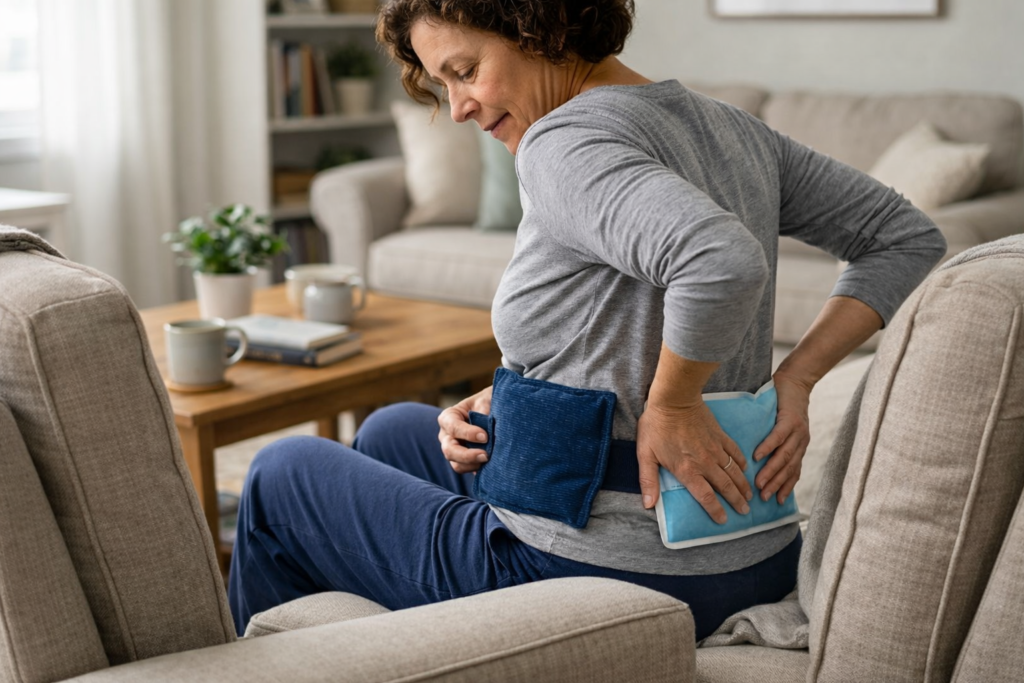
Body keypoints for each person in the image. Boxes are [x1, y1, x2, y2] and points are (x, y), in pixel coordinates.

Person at [228, 0, 946, 640]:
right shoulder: (733, 129)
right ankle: (418, 649)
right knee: (392, 429)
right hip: (750, 556)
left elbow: (718, 260)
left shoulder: (563, 142)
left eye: (466, 70)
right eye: (441, 83)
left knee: (280, 470)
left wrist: (676, 401)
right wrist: (795, 376)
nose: (458, 108)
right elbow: (906, 235)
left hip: (600, 571)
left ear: (535, 22)